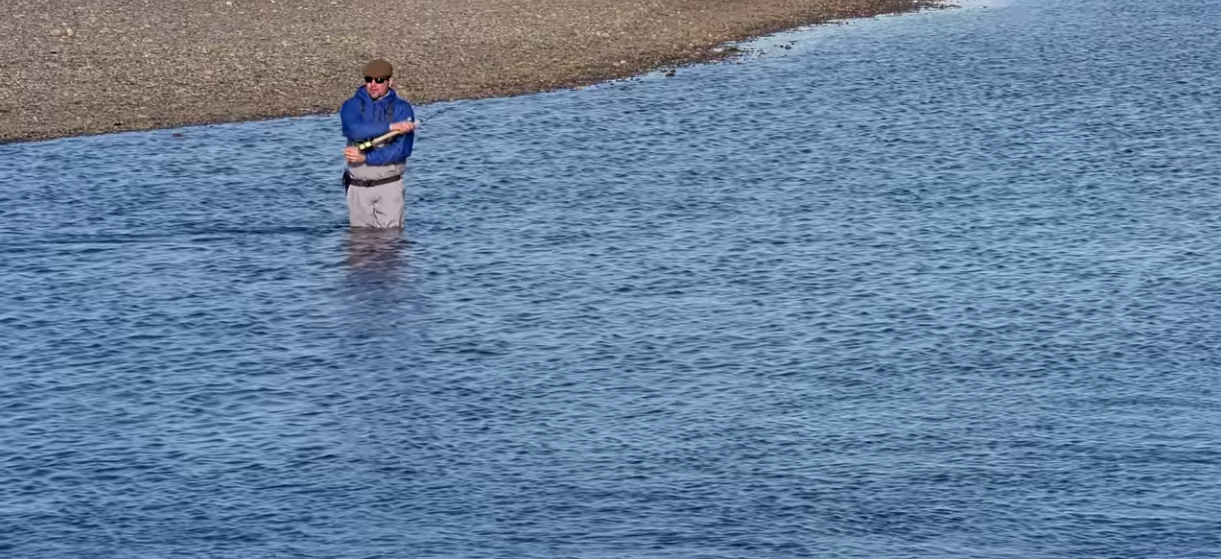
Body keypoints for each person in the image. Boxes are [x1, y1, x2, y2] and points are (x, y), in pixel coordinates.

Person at [340, 58, 416, 228]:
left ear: (390, 82)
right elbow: (353, 130)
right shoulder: (351, 105)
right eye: (369, 80)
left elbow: (401, 150)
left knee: (391, 246)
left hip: (389, 187)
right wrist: (390, 126)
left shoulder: (402, 109)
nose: (373, 84)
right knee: (359, 246)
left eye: (379, 80)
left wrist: (365, 158)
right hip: (357, 188)